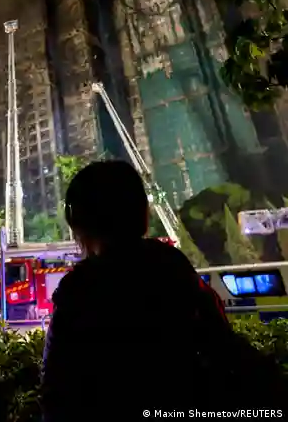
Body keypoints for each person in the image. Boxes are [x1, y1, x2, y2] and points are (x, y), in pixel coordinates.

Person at [41, 160, 287, 420]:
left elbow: (56, 388)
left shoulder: (79, 290)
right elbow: (221, 342)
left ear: (78, 223)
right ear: (142, 214)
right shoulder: (172, 267)